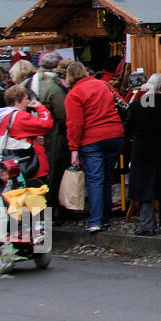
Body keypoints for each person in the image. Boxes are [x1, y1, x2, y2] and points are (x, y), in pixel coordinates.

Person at [65, 61, 126, 233]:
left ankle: (95, 220)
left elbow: (74, 125)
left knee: (95, 180)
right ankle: (105, 217)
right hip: (115, 135)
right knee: (106, 177)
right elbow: (121, 103)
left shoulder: (74, 94)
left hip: (91, 139)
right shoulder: (104, 85)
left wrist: (73, 149)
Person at [125, 73, 161, 235]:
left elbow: (128, 126)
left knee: (145, 188)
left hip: (142, 150)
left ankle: (147, 225)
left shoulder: (137, 105)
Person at [0, 85, 55, 193]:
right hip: (30, 168)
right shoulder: (19, 116)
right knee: (37, 203)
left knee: (17, 202)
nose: (28, 102)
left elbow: (17, 135)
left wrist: (33, 137)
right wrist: (40, 107)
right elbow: (46, 124)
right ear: (17, 101)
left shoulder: (3, 116)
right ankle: (44, 211)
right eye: (26, 99)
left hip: (12, 167)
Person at [30, 53, 70, 220]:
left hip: (44, 134)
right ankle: (52, 211)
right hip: (55, 135)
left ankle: (47, 210)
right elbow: (63, 115)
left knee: (48, 173)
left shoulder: (38, 82)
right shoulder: (55, 88)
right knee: (54, 174)